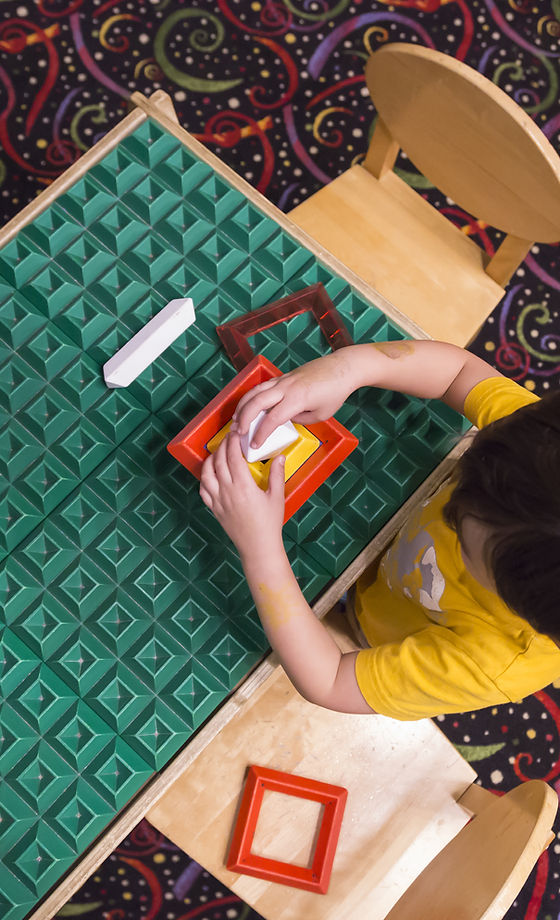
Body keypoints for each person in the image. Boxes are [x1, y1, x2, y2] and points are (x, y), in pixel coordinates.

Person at [199, 340, 560, 720]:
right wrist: (348, 368)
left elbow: (331, 681)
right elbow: (458, 372)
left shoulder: (497, 664)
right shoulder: (538, 454)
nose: (449, 514)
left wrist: (260, 547)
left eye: (464, 540)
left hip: (366, 630)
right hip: (385, 540)